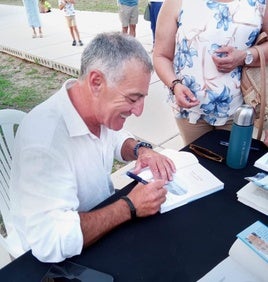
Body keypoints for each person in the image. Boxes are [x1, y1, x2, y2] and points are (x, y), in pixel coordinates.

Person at [10, 32, 176, 263]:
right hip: (56, 260)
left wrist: (141, 150)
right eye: (132, 98)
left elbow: (117, 139)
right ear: (96, 81)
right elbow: (51, 240)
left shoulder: (97, 109)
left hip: (101, 223)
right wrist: (129, 206)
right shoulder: (44, 142)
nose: (139, 110)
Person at [153, 0, 268, 145]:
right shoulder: (176, 2)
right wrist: (174, 85)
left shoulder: (261, 3)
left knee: (234, 164)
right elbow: (161, 55)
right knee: (197, 162)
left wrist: (245, 56)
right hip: (190, 111)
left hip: (241, 110)